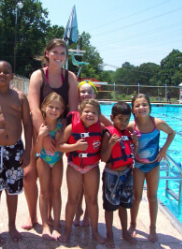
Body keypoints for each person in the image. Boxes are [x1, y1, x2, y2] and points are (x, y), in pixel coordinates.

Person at [23, 38, 78, 230]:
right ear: (47, 53)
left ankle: (49, 217)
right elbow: (34, 108)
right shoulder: (38, 76)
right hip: (39, 129)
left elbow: (73, 110)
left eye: (63, 53)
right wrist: (43, 136)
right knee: (29, 175)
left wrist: (62, 134)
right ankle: (33, 216)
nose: (59, 56)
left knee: (53, 178)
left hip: (59, 131)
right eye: (55, 52)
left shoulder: (69, 77)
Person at [0, 60, 32, 243]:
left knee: (13, 190)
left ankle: (11, 225)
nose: (2, 74)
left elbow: (27, 124)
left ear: (12, 76)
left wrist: (28, 151)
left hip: (14, 150)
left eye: (6, 72)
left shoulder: (20, 97)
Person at [128, 93, 175, 242]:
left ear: (150, 106)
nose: (141, 108)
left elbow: (172, 133)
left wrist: (164, 149)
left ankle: (152, 227)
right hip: (138, 165)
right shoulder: (131, 126)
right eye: (137, 105)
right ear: (133, 109)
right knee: (136, 197)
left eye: (144, 104)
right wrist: (131, 141)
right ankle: (133, 224)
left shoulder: (158, 123)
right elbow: (124, 141)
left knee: (152, 197)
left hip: (154, 165)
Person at [57, 99, 104, 244]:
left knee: (92, 200)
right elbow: (59, 145)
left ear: (99, 115)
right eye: (87, 111)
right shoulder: (71, 128)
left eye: (94, 112)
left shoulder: (101, 128)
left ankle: (95, 231)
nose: (90, 114)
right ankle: (67, 230)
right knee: (72, 199)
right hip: (74, 167)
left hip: (92, 167)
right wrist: (74, 146)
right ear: (80, 113)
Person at [73, 80, 112, 227]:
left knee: (90, 192)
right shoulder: (75, 111)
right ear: (78, 94)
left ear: (94, 95)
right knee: (77, 191)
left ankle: (87, 216)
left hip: (92, 160)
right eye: (82, 91)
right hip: (76, 159)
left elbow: (110, 126)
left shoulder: (96, 111)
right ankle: (78, 212)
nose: (86, 94)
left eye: (89, 92)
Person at [100, 101, 137, 248]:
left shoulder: (128, 133)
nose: (124, 122)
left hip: (127, 173)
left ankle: (124, 232)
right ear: (112, 117)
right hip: (112, 175)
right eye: (120, 118)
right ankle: (109, 235)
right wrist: (110, 144)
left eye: (127, 120)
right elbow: (103, 157)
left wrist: (136, 143)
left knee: (124, 205)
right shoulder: (108, 133)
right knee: (110, 207)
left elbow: (132, 153)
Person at [35, 92, 65, 240]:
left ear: (62, 110)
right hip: (43, 160)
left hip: (57, 160)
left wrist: (59, 139)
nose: (54, 110)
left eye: (57, 108)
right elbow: (36, 150)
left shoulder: (62, 125)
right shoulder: (41, 125)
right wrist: (41, 136)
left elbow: (62, 148)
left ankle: (57, 225)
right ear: (44, 107)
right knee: (44, 192)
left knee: (56, 191)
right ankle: (45, 225)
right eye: (51, 107)